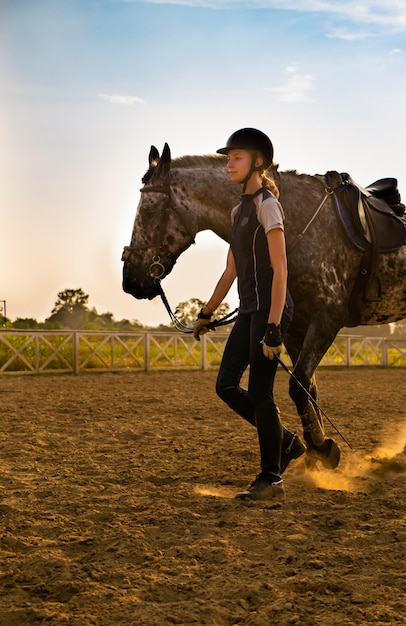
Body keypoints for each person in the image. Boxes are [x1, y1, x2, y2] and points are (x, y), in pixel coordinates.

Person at [193, 128, 306, 502]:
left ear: (258, 162)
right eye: (228, 157)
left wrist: (273, 328)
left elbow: (281, 270)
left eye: (236, 157)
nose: (229, 164)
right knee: (225, 385)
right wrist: (207, 312)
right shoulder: (238, 211)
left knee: (259, 392)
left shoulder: (267, 206)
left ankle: (271, 479)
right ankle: (287, 443)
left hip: (271, 310)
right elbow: (231, 270)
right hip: (250, 310)